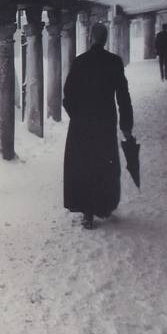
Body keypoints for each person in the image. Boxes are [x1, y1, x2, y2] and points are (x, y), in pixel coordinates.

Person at [63, 22, 134, 229]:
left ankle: (87, 212)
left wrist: (76, 116)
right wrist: (126, 125)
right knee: (104, 164)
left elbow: (68, 96)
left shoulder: (79, 62)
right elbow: (123, 95)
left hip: (82, 125)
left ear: (90, 38)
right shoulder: (114, 62)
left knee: (84, 165)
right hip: (105, 123)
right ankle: (103, 206)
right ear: (105, 39)